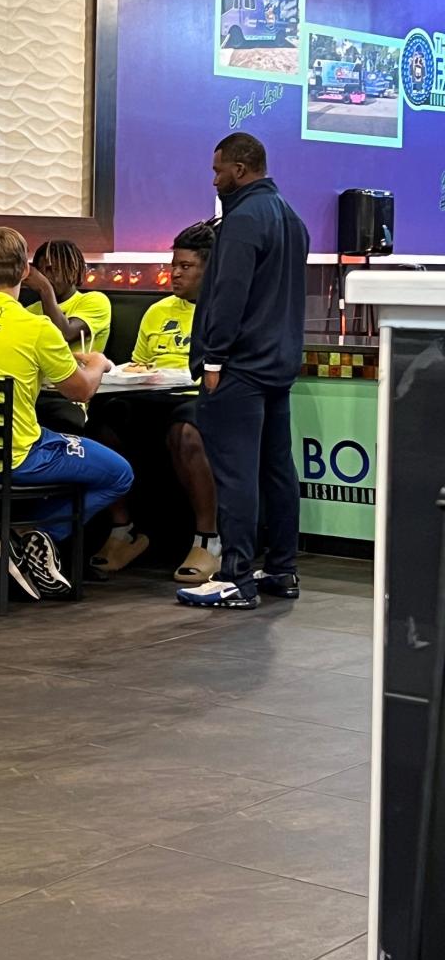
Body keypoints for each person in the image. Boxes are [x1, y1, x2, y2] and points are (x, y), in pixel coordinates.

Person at [0, 227, 134, 599]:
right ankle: (33, 532)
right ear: (25, 272)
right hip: (18, 456)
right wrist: (99, 362)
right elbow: (81, 389)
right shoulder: (36, 326)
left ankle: (19, 534)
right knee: (120, 473)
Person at [177, 132, 309, 610]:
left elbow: (228, 295)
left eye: (217, 171)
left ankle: (235, 575)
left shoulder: (241, 220)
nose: (214, 181)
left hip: (239, 368)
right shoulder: (292, 219)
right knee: (277, 469)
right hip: (279, 364)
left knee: (235, 475)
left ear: (239, 169)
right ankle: (282, 570)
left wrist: (212, 358)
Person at [87, 221, 220, 583]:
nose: (174, 273)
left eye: (186, 267)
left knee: (185, 430)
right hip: (148, 396)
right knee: (100, 422)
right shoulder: (158, 311)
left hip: (195, 398)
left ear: (210, 268)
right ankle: (122, 530)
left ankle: (208, 540)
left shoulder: (221, 311)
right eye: (173, 264)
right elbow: (138, 363)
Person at [24, 239, 111, 434]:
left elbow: (65, 333)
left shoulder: (93, 301)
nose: (47, 276)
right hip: (33, 393)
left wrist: (45, 290)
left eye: (54, 269)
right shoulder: (30, 310)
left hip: (69, 397)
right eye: (42, 271)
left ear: (73, 269)